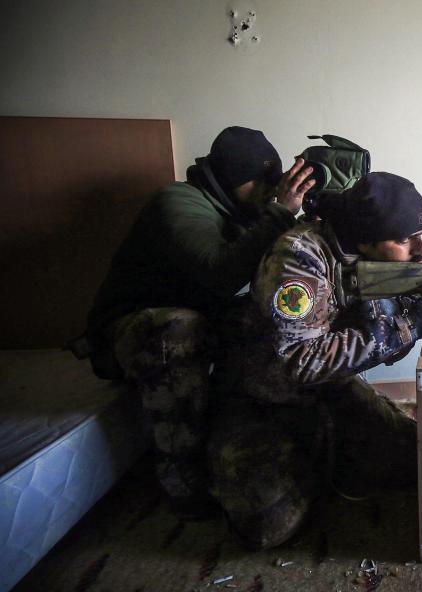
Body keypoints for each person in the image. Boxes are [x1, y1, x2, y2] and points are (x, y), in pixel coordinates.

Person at [208, 172, 422, 549]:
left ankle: (331, 446)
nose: (418, 248)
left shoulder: (387, 250)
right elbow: (299, 363)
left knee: (416, 466)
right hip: (264, 398)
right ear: (365, 239)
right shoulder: (297, 258)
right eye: (404, 239)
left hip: (330, 389)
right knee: (267, 527)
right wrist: (406, 326)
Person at [85, 126, 316, 515]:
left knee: (274, 319)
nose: (267, 191)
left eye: (272, 182)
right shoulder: (177, 201)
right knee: (178, 327)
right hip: (132, 331)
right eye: (258, 182)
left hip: (198, 320)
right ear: (227, 180)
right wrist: (280, 212)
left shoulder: (242, 213)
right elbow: (220, 273)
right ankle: (182, 479)